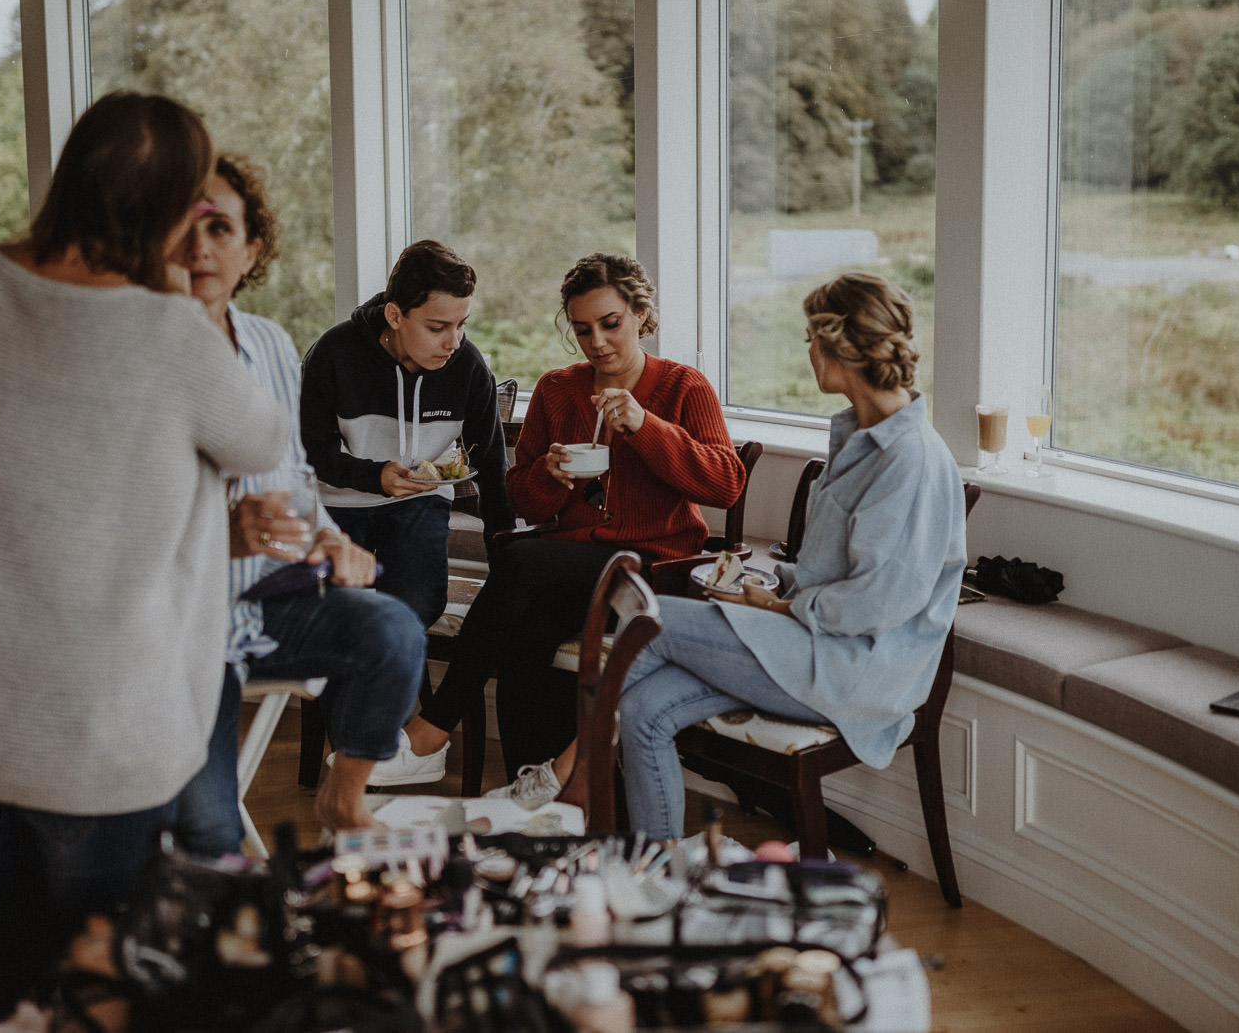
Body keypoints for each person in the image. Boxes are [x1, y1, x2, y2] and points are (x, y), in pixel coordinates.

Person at [0, 93, 287, 1031]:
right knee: (93, 987)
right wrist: (182, 302)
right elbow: (259, 437)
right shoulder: (169, 336)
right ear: (166, 212)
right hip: (97, 733)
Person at [613, 271, 967, 840]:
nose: (807, 352)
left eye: (811, 337)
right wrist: (774, 588)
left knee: (649, 618)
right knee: (644, 710)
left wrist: (780, 612)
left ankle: (574, 776)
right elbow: (833, 572)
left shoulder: (911, 459)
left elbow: (877, 602)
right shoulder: (859, 438)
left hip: (858, 673)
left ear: (841, 346)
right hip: (810, 648)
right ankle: (658, 875)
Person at [381, 253, 746, 796]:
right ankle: (536, 796)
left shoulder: (682, 387)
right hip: (572, 572)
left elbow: (725, 484)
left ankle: (434, 729)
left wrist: (647, 427)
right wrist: (552, 476)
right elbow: (527, 502)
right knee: (522, 636)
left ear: (641, 315)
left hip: (652, 572)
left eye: (611, 323)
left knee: (521, 560)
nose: (596, 342)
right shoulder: (557, 389)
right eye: (582, 329)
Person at [169, 153, 427, 850]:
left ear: (251, 249)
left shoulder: (271, 345)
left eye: (220, 227)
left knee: (395, 633)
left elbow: (293, 477)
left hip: (273, 605)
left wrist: (332, 538)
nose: (199, 245)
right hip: (179, 633)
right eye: (183, 223)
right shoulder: (134, 352)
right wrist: (219, 531)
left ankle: (343, 799)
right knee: (211, 837)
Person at [299, 239, 513, 637]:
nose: (454, 341)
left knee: (415, 605)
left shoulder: (468, 365)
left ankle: (377, 688)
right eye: (438, 327)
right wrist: (373, 476)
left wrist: (503, 553)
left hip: (420, 502)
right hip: (340, 504)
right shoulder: (334, 353)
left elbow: (491, 465)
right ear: (395, 315)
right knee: (337, 615)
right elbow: (310, 451)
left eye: (462, 324)